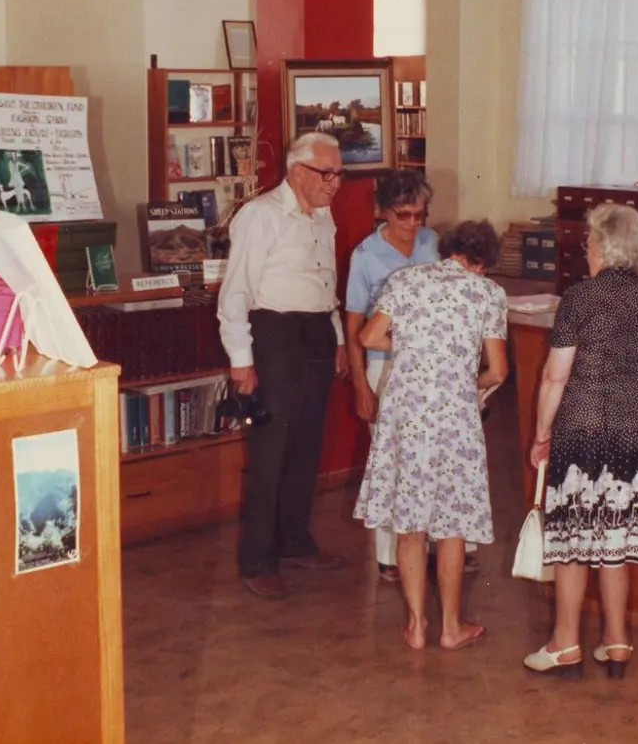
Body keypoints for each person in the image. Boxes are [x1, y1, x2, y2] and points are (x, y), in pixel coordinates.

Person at [524, 203, 638, 681]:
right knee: (617, 538)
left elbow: (555, 376)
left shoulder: (581, 298)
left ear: (603, 247)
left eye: (588, 242)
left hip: (585, 425)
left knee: (573, 541)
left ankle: (565, 643)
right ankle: (617, 642)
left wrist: (541, 433)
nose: (584, 249)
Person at [353, 220, 508, 651]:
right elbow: (498, 371)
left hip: (406, 409)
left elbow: (369, 336)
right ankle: (451, 627)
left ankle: (417, 625)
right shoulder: (487, 294)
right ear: (482, 262)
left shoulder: (406, 279)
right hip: (454, 413)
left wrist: (412, 350)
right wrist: (464, 379)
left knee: (411, 524)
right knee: (452, 524)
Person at [217, 132, 350, 600]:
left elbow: (325, 278)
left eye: (339, 174)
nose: (335, 183)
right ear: (297, 171)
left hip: (314, 333)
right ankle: (258, 558)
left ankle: (296, 539)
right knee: (271, 449)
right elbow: (235, 294)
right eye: (326, 173)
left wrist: (334, 336)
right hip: (272, 337)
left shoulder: (322, 216)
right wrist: (241, 363)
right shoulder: (261, 216)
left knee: (306, 445)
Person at [346, 170, 441, 583]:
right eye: (404, 215)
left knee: (433, 456)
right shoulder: (365, 256)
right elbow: (353, 328)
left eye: (420, 215)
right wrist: (361, 386)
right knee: (392, 462)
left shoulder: (432, 243)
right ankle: (388, 556)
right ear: (383, 211)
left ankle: (437, 544)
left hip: (431, 366)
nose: (414, 224)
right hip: (385, 365)